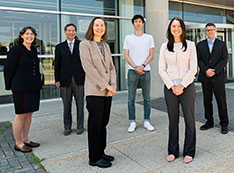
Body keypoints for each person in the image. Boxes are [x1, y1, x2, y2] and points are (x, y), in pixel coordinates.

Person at [159, 17, 197, 163]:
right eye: (173, 26)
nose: (176, 28)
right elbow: (162, 69)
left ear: (182, 28)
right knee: (173, 120)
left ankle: (189, 151)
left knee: (189, 119)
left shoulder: (190, 45)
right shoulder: (164, 47)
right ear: (170, 28)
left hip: (187, 87)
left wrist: (182, 86)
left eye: (178, 26)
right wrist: (172, 86)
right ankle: (173, 150)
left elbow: (193, 68)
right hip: (170, 88)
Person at [79, 17, 116, 168]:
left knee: (103, 123)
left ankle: (101, 152)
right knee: (94, 125)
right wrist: (106, 86)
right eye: (97, 25)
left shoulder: (105, 46)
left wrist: (112, 85)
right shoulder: (85, 45)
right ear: (91, 27)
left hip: (108, 91)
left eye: (102, 25)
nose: (100, 28)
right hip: (95, 91)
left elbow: (112, 68)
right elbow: (89, 69)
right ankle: (94, 157)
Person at [4, 26, 42, 152]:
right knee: (20, 115)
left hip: (33, 87)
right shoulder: (16, 49)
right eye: (27, 34)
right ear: (21, 36)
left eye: (32, 34)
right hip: (20, 87)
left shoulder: (33, 50)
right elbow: (8, 69)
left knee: (29, 114)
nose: (30, 36)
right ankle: (18, 143)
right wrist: (9, 85)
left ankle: (26, 139)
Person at [123, 14, 155, 133]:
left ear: (143, 23)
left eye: (140, 21)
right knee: (131, 98)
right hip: (132, 71)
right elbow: (126, 55)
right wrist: (135, 67)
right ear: (133, 24)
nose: (138, 23)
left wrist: (142, 66)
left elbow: (151, 55)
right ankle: (132, 121)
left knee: (147, 97)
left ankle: (147, 120)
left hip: (145, 70)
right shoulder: (128, 38)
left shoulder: (149, 38)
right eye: (135, 21)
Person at [197, 23, 229, 134]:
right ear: (205, 32)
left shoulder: (222, 44)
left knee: (221, 101)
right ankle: (209, 121)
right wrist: (206, 70)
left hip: (218, 77)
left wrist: (214, 71)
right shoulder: (200, 45)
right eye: (207, 30)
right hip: (205, 77)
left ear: (215, 31)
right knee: (207, 101)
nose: (210, 32)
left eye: (211, 30)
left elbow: (224, 59)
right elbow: (199, 59)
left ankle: (224, 124)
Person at [54, 24, 85, 136]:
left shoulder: (82, 45)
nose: (71, 32)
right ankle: (67, 126)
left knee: (80, 104)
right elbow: (57, 65)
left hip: (79, 79)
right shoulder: (59, 47)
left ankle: (80, 126)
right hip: (64, 80)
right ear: (65, 32)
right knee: (66, 104)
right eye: (69, 30)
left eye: (73, 31)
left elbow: (85, 63)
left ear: (76, 32)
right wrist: (57, 79)